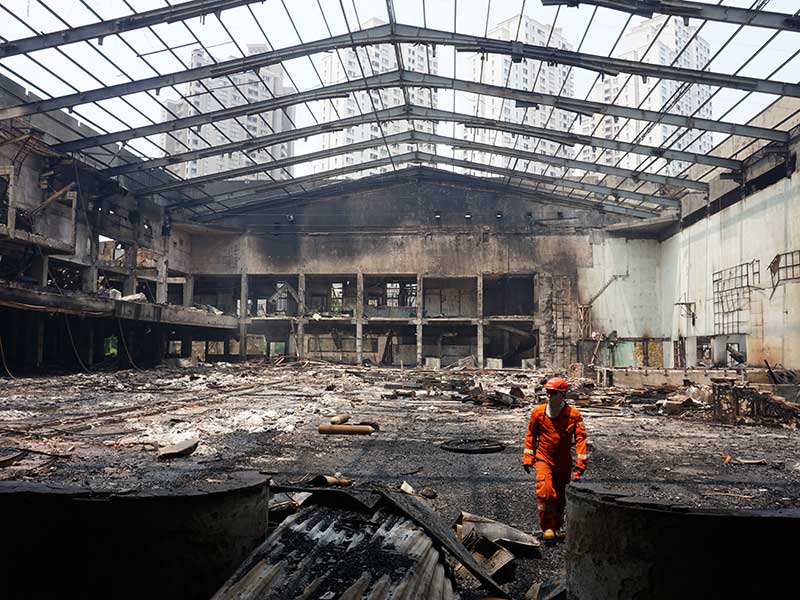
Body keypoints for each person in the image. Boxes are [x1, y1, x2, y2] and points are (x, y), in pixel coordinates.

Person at [522, 376, 588, 541]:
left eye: (553, 393)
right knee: (545, 492)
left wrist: (580, 465)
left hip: (563, 461)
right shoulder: (538, 413)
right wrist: (528, 458)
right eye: (548, 392)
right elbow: (531, 436)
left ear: (563, 394)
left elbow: (581, 440)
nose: (549, 396)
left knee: (559, 496)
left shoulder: (573, 415)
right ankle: (547, 526)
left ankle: (557, 526)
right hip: (543, 457)